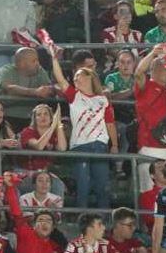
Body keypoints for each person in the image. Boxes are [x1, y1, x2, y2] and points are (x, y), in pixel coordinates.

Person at [49, 50, 116, 210]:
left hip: (100, 145)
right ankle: (82, 220)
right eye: (75, 77)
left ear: (89, 77)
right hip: (80, 145)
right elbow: (60, 79)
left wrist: (115, 145)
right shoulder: (74, 96)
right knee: (83, 187)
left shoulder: (103, 100)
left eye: (79, 76)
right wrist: (54, 58)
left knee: (102, 187)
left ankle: (104, 223)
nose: (75, 79)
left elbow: (110, 123)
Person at [133, 44, 166, 191]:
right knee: (151, 196)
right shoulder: (146, 86)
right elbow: (138, 73)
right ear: (155, 69)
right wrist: (153, 54)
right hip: (151, 148)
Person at [0, 47, 54, 126]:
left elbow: (48, 88)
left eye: (37, 60)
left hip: (34, 117)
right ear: (22, 63)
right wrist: (35, 92)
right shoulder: (5, 70)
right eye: (34, 61)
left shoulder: (39, 70)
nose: (38, 63)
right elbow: (10, 89)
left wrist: (50, 90)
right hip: (7, 117)